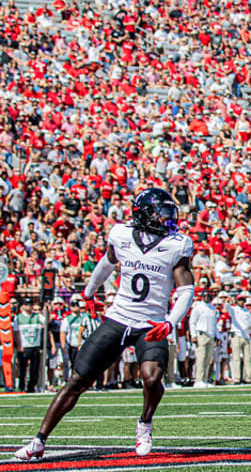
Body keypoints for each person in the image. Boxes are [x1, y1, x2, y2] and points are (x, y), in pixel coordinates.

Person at [15, 188, 195, 462]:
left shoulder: (176, 244)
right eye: (162, 213)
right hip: (118, 317)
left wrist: (171, 322)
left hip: (152, 323)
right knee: (78, 379)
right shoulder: (121, 235)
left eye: (170, 213)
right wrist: (88, 292)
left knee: (152, 376)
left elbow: (186, 291)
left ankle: (145, 422)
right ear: (144, 213)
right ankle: (38, 441)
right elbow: (106, 264)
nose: (167, 219)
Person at [14, 297, 44, 393]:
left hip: (35, 345)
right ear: (23, 306)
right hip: (24, 345)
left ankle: (32, 386)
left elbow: (46, 322)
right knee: (22, 368)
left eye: (30, 304)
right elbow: (16, 332)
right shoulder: (18, 317)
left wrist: (48, 310)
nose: (29, 306)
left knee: (34, 368)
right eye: (27, 304)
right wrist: (19, 345)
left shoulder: (37, 316)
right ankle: (21, 386)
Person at [189, 289, 217, 387]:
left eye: (208, 296)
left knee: (208, 358)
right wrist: (193, 335)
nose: (207, 297)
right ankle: (198, 380)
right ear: (202, 296)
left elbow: (214, 323)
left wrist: (216, 335)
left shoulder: (212, 308)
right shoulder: (198, 307)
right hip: (201, 334)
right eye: (205, 296)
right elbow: (192, 322)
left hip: (210, 335)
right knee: (200, 357)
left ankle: (204, 379)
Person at [225, 291, 251, 384]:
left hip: (246, 336)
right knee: (236, 358)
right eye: (239, 300)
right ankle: (237, 378)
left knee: (247, 358)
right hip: (237, 334)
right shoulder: (234, 309)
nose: (241, 302)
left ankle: (248, 377)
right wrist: (228, 301)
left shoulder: (247, 312)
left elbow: (249, 323)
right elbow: (227, 308)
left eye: (242, 300)